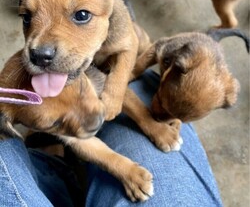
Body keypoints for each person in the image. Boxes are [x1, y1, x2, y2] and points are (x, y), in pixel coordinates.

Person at [0, 70, 223, 207]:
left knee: (128, 81)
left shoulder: (64, 66)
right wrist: (123, 167)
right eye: (56, 122)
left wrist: (149, 123)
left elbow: (116, 88)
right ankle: (56, 165)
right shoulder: (10, 115)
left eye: (79, 90)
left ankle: (54, 164)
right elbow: (79, 140)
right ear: (13, 127)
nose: (93, 119)